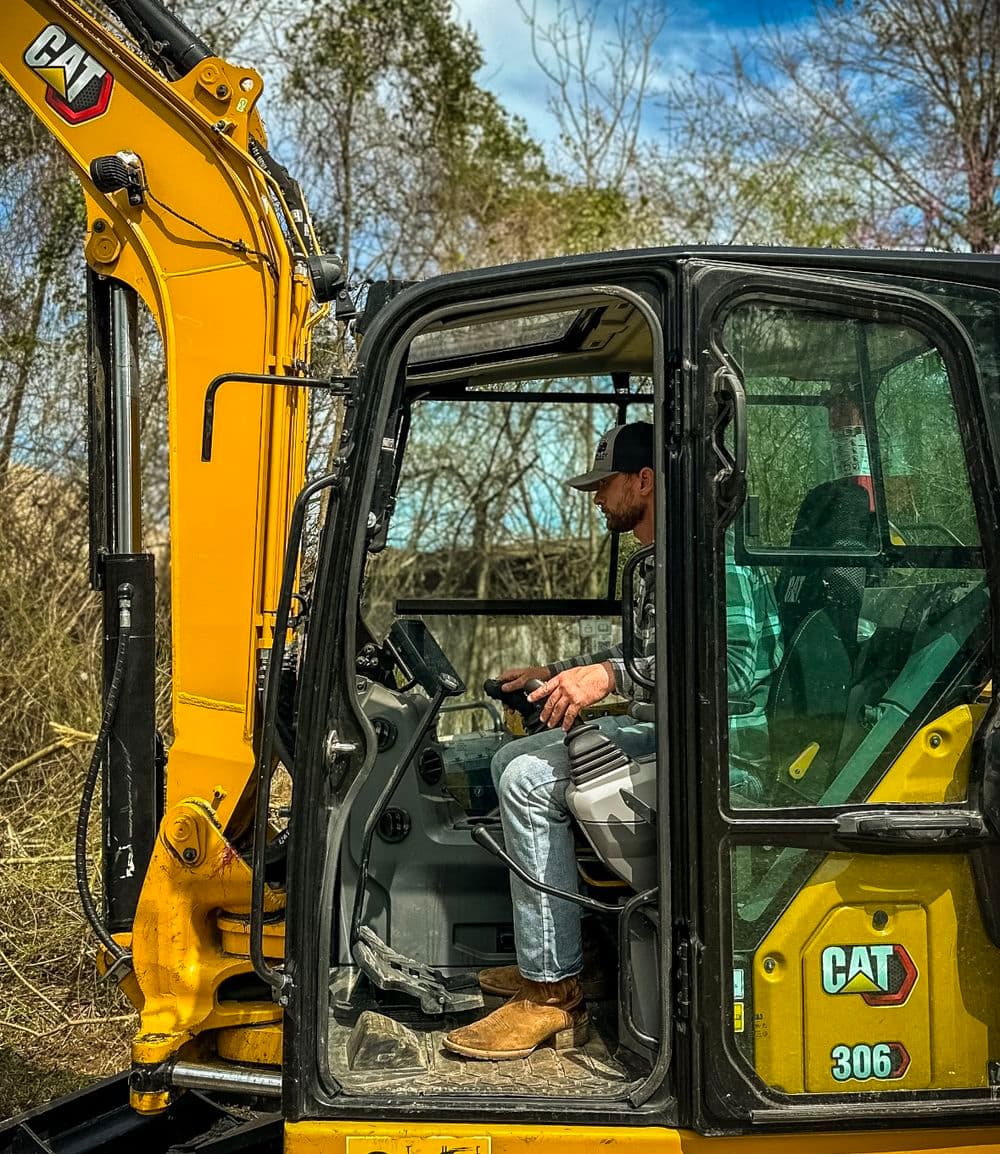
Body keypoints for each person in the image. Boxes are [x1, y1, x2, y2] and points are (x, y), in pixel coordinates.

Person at [442, 421, 781, 1062]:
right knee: (514, 754)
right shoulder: (656, 561)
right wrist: (560, 671)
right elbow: (641, 654)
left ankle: (554, 997)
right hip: (668, 732)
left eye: (606, 485)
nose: (597, 499)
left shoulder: (711, 556)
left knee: (526, 778)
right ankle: (567, 961)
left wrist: (611, 678)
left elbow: (735, 670)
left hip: (718, 756)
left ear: (645, 482)